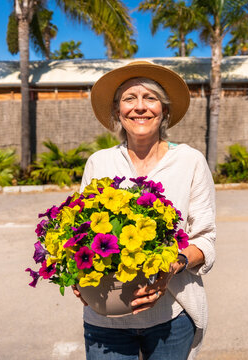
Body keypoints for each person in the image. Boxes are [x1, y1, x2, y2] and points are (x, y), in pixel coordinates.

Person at [73, 61, 216, 360]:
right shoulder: (99, 163)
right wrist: (77, 271)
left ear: (164, 110)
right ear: (117, 111)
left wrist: (173, 265)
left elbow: (204, 240)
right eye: (129, 99)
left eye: (150, 98)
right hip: (105, 318)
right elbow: (80, 232)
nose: (140, 107)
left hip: (172, 317)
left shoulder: (189, 161)